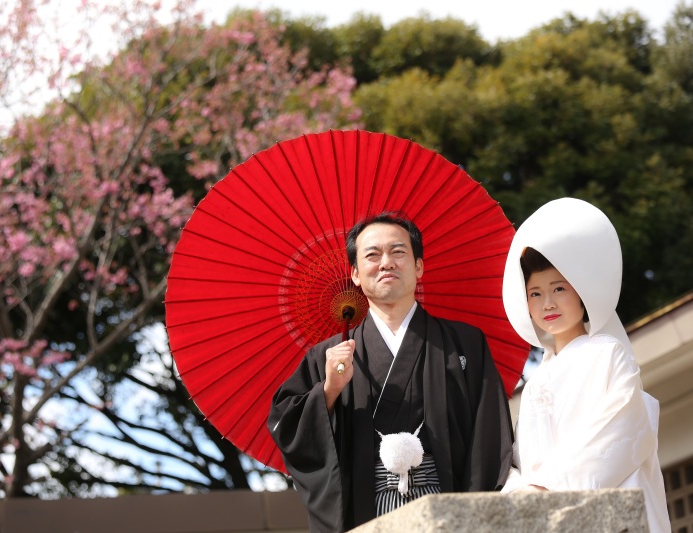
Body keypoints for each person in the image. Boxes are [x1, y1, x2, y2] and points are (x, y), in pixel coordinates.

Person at [268, 212, 514, 533]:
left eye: (398, 252)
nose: (386, 263)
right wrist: (328, 391)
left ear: (419, 266)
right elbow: (288, 426)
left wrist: (475, 512)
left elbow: (490, 435)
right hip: (368, 511)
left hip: (448, 508)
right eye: (372, 255)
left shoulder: (465, 344)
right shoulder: (327, 357)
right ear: (355, 274)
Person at [500, 198, 671, 533]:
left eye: (558, 288)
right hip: (549, 518)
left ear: (581, 293)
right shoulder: (536, 383)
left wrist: (547, 486)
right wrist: (518, 488)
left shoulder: (609, 354)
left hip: (605, 511)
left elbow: (623, 428)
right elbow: (520, 457)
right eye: (534, 293)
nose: (547, 303)